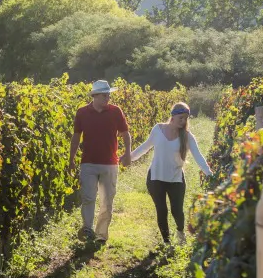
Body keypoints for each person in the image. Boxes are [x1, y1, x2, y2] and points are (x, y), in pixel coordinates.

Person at [129, 101, 213, 245]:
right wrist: (129, 158)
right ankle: (167, 242)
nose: (183, 121)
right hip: (155, 177)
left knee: (177, 210)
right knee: (161, 210)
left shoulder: (187, 136)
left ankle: (180, 232)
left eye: (186, 118)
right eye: (181, 118)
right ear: (172, 117)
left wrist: (209, 173)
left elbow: (198, 156)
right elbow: (145, 147)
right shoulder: (158, 129)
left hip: (175, 179)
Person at [70, 80, 132, 244]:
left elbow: (125, 134)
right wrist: (71, 159)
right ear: (95, 96)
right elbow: (76, 137)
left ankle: (101, 235)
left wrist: (128, 153)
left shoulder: (115, 111)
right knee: (88, 198)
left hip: (110, 164)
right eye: (105, 95)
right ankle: (88, 229)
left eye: (109, 95)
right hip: (88, 163)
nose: (108, 98)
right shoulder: (82, 112)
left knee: (107, 200)